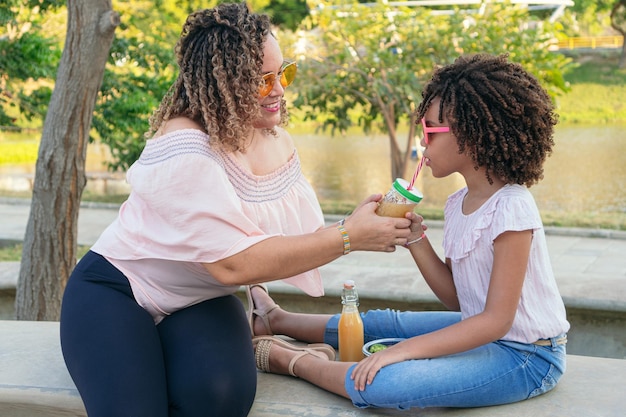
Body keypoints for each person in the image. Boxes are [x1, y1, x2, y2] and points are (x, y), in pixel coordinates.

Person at [59, 3, 412, 417]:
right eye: (263, 81)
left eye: (284, 73)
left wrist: (351, 224)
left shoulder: (274, 141)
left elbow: (275, 239)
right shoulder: (185, 147)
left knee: (222, 397)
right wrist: (350, 237)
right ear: (222, 82)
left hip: (198, 299)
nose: (279, 89)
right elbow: (231, 264)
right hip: (119, 289)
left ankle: (270, 347)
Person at [250, 53, 570, 411]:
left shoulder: (512, 207)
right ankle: (273, 320)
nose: (422, 142)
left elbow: (496, 321)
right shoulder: (459, 203)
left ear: (473, 136)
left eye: (431, 130)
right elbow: (460, 300)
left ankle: (296, 361)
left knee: (382, 381)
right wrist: (417, 241)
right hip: (484, 331)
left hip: (527, 357)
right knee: (383, 324)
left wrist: (400, 354)